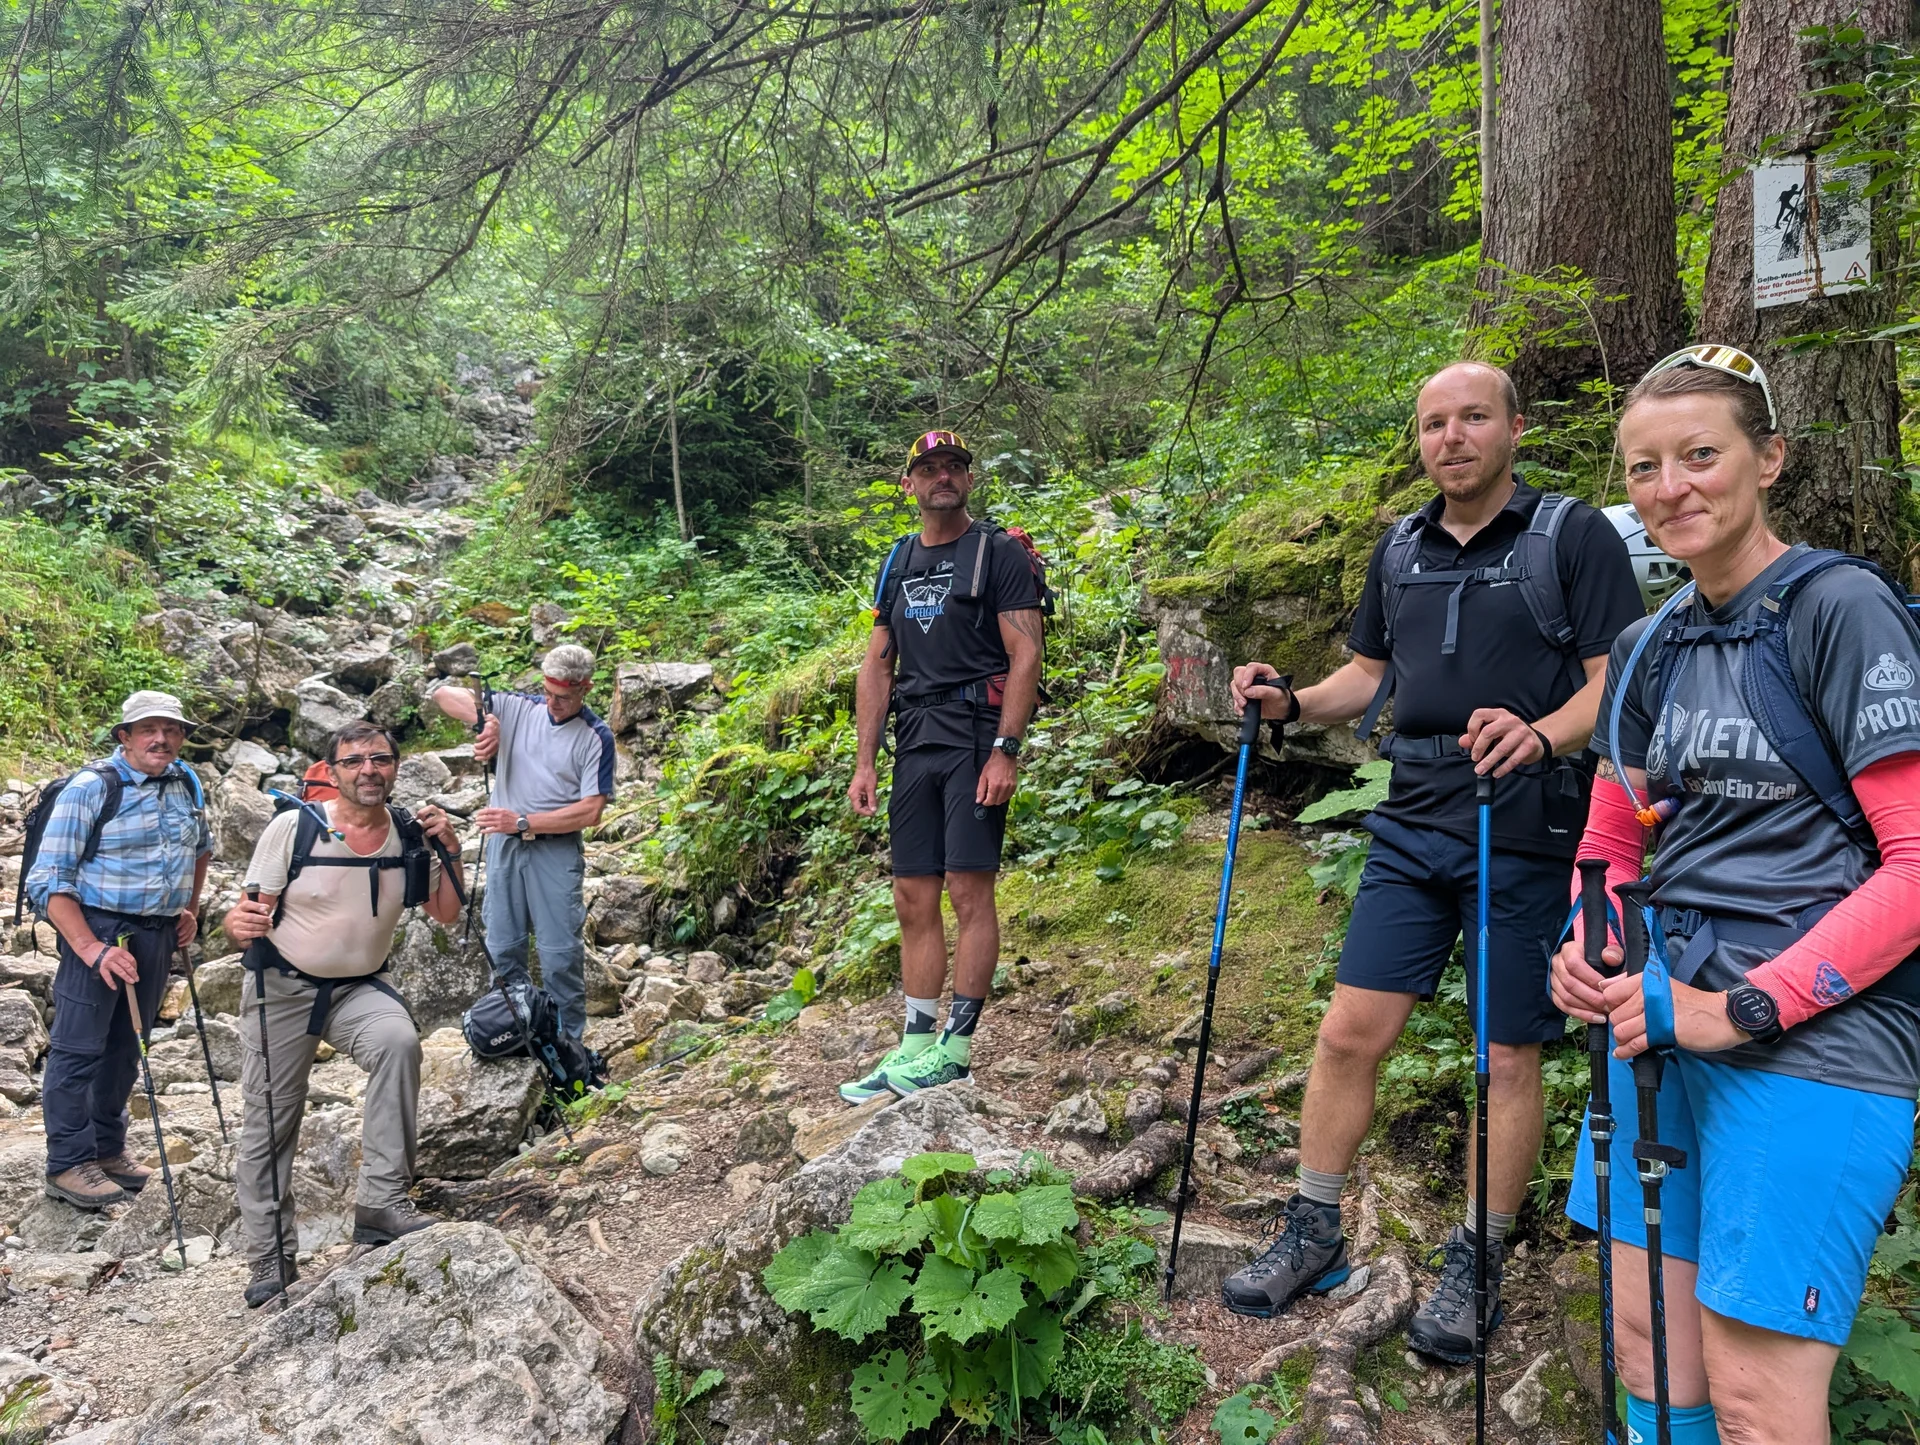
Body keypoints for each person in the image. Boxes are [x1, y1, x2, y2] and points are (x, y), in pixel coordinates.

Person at [1221, 362, 1644, 1360]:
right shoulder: (1401, 546)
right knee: (1347, 1032)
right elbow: (1365, 677)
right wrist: (1285, 702)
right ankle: (1315, 1227)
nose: (1451, 437)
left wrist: (1540, 736)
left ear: (1513, 428)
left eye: (1472, 418)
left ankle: (1479, 1257)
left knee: (1506, 1053)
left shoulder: (1570, 536)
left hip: (1526, 819)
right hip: (1413, 820)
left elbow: (1611, 677)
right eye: (1433, 423)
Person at [1553, 347, 1920, 1445]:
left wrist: (1743, 1007)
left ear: (1769, 459)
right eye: (1646, 465)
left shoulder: (1840, 609)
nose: (1673, 486)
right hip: (1660, 1032)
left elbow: (1914, 861)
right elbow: (1612, 837)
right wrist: (1591, 941)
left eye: (1701, 454)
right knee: (1647, 1352)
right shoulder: (1650, 641)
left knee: (1758, 1398)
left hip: (1814, 1046)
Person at [223, 721, 465, 1308]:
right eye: (354, 762)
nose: (368, 771)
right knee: (271, 1121)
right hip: (280, 987)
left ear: (395, 768)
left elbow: (448, 914)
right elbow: (245, 913)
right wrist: (237, 925)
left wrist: (449, 848)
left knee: (399, 1043)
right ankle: (270, 1259)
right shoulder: (295, 827)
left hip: (358, 986)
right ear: (331, 775)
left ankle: (381, 1203)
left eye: (380, 760)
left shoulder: (410, 834)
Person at [842, 430, 1044, 1102]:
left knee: (967, 887)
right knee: (912, 893)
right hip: (917, 733)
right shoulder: (896, 561)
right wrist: (865, 760)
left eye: (953, 466)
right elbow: (877, 666)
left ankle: (955, 1051)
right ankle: (914, 1045)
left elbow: (1025, 655)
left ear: (968, 478)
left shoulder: (998, 552)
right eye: (927, 469)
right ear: (910, 484)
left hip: (976, 731)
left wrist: (1006, 749)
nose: (941, 477)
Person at [26, 692, 212, 1211]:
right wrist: (90, 947)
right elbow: (49, 879)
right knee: (77, 1049)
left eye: (171, 730)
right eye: (148, 729)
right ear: (124, 737)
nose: (162, 739)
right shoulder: (91, 789)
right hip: (98, 928)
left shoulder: (186, 782)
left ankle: (108, 1151)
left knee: (128, 1047)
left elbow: (201, 849)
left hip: (157, 931)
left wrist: (188, 908)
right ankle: (67, 1163)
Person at [428, 643, 614, 1041]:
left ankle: (568, 1046)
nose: (553, 703)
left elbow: (590, 812)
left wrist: (523, 821)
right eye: (548, 692)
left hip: (554, 848)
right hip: (504, 847)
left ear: (585, 688)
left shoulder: (595, 737)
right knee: (502, 943)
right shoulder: (519, 707)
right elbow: (443, 694)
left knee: (559, 953)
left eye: (563, 697)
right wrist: (486, 721)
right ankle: (513, 1030)